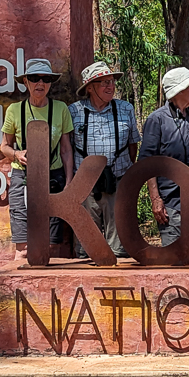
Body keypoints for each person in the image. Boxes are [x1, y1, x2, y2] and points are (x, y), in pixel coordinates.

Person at [0, 58, 74, 259]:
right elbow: (4, 147)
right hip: (22, 177)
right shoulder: (15, 110)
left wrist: (68, 182)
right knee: (23, 248)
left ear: (51, 83)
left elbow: (66, 150)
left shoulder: (61, 109)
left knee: (52, 246)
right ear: (26, 82)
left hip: (53, 177)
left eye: (45, 79)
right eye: (34, 78)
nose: (40, 84)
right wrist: (17, 154)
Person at [69, 61, 140, 259]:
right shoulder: (73, 111)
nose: (110, 86)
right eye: (104, 83)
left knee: (119, 247)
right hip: (85, 188)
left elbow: (133, 144)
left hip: (117, 183)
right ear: (90, 88)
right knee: (86, 247)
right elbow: (67, 148)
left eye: (111, 81)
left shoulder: (125, 109)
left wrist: (124, 174)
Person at [138, 67, 189, 247]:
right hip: (172, 202)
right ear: (177, 91)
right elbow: (148, 164)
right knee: (175, 258)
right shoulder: (157, 120)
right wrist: (156, 199)